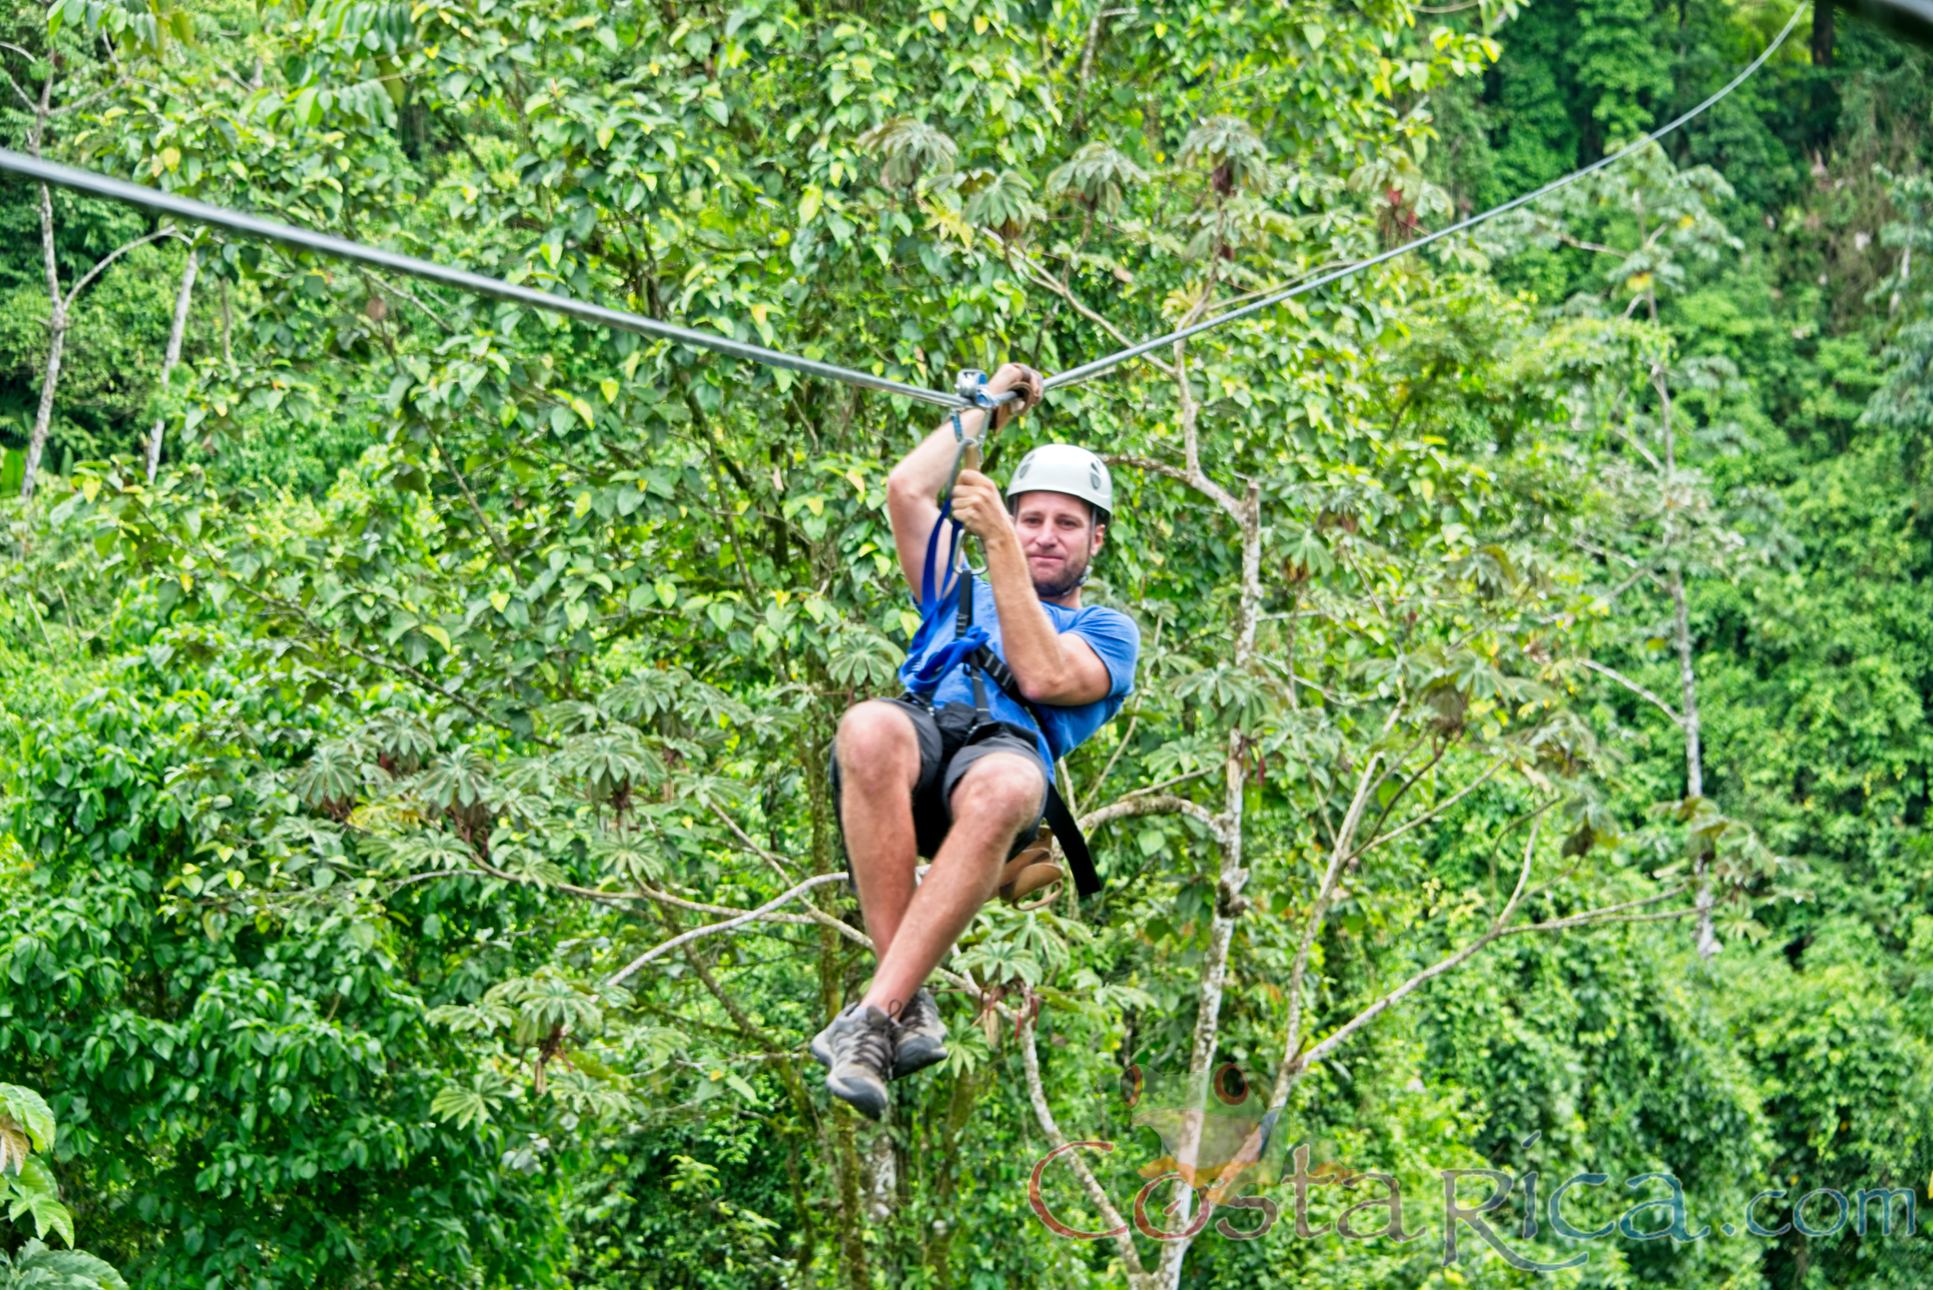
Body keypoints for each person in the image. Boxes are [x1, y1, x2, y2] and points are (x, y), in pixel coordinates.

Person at [811, 363, 1141, 1118]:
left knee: (1011, 787)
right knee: (865, 724)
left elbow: (1043, 675)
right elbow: (905, 491)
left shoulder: (1108, 633)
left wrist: (995, 541)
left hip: (999, 758)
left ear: (1096, 537)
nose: (1045, 537)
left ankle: (870, 1017)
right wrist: (983, 414)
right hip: (922, 743)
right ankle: (900, 1004)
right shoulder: (952, 593)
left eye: (1066, 524)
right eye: (1031, 520)